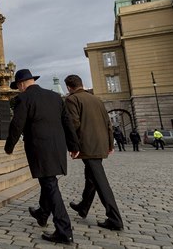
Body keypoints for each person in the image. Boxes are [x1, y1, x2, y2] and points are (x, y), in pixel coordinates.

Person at [5, 69, 79, 245]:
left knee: (50, 185)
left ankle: (64, 230)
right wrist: (74, 145)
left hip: (40, 148)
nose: (19, 90)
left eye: (18, 87)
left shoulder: (24, 98)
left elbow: (17, 124)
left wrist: (9, 146)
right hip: (57, 147)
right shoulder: (54, 97)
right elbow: (67, 122)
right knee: (49, 181)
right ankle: (42, 213)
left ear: (22, 84)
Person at [64, 74, 124, 231]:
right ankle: (84, 206)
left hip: (87, 145)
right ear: (81, 84)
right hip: (101, 144)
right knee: (91, 176)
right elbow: (108, 123)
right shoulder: (96, 99)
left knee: (99, 180)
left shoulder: (72, 99)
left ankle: (114, 218)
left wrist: (73, 146)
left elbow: (74, 124)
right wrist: (110, 143)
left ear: (69, 87)